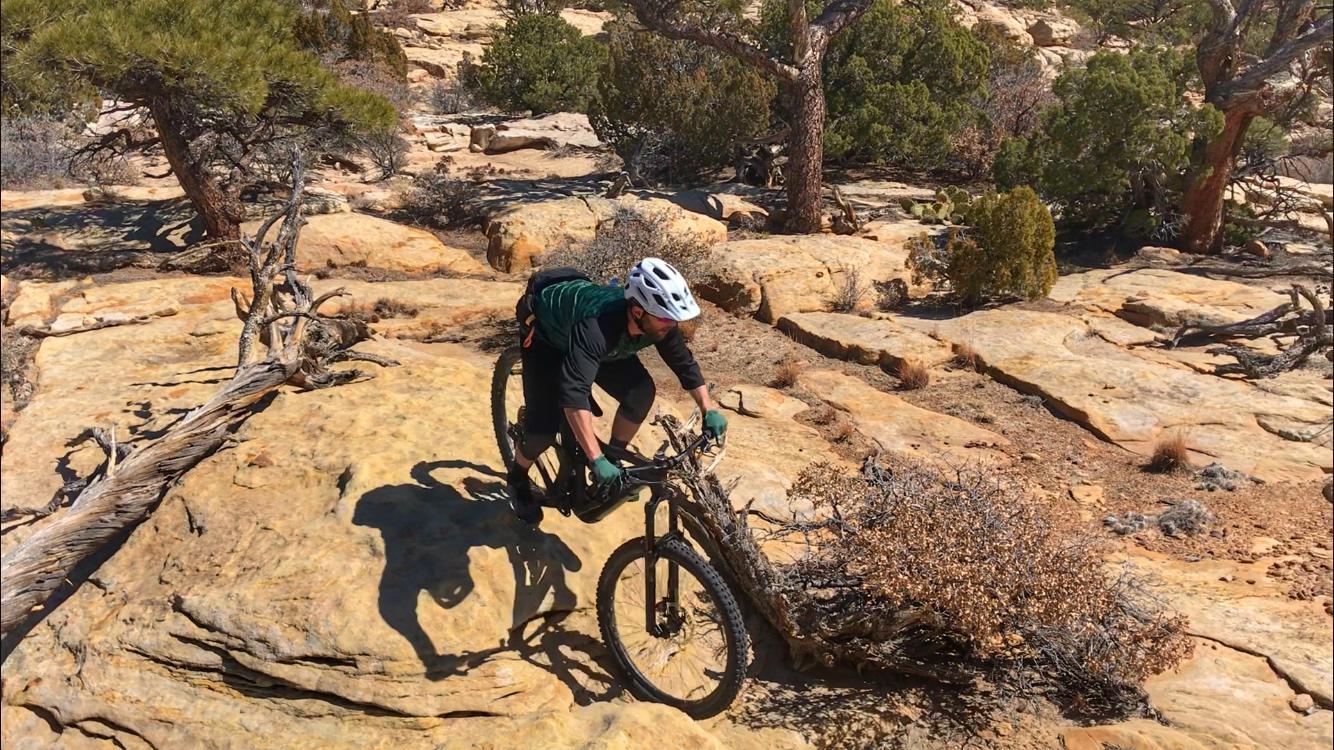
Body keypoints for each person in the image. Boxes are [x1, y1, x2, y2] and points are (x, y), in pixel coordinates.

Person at [507, 257, 727, 524]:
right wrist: (595, 458)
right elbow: (574, 395)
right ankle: (517, 479)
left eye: (673, 319)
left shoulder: (659, 324)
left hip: (600, 347)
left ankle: (614, 458)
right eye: (665, 319)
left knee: (641, 392)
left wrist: (708, 409)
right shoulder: (597, 327)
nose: (671, 325)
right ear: (637, 311)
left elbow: (685, 365)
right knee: (541, 432)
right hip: (548, 339)